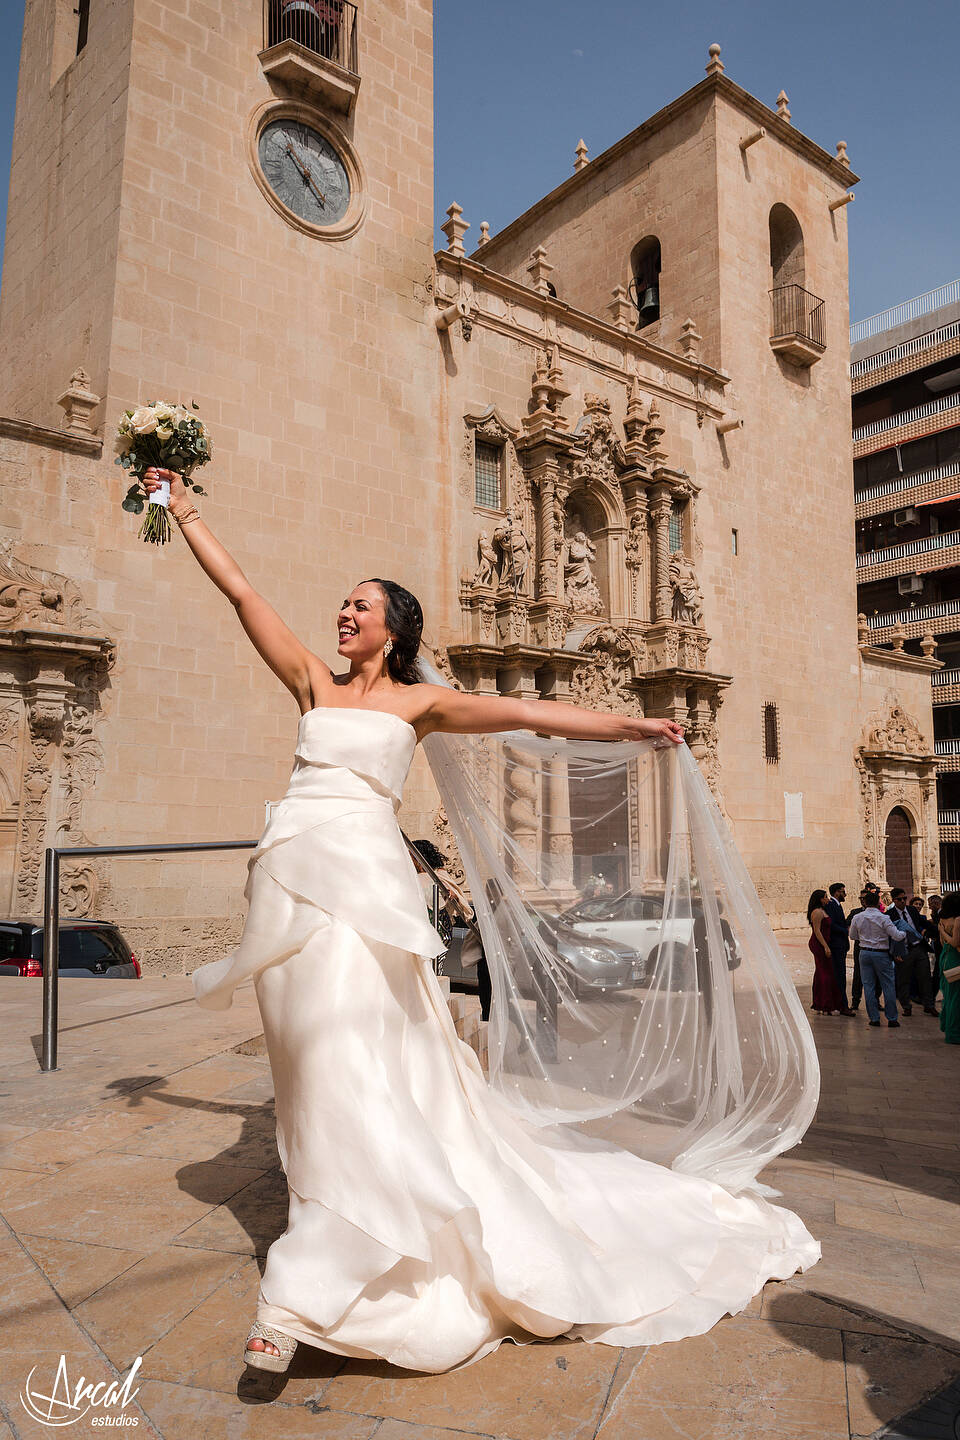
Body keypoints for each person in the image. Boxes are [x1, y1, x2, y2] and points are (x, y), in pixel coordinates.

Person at [142, 466, 820, 1375]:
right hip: (292, 889)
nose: (343, 615)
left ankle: (299, 1293)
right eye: (341, 604)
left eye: (360, 605)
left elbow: (529, 711)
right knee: (307, 1067)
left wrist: (633, 728)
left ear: (395, 626)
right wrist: (185, 511)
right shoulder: (312, 683)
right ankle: (338, 1217)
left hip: (367, 895)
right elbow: (240, 592)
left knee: (354, 1062)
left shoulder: (420, 704)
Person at [847, 893, 904, 1027]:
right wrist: (905, 932)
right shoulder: (884, 918)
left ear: (865, 903)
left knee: (868, 986)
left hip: (864, 952)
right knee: (888, 985)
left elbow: (853, 935)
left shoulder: (857, 917)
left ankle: (874, 1018)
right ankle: (892, 1018)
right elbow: (896, 936)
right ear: (879, 903)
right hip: (881, 954)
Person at [888, 888, 938, 1016]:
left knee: (925, 977)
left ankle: (929, 1005)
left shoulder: (911, 911)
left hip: (919, 948)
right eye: (900, 899)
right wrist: (893, 953)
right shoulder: (889, 915)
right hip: (903, 951)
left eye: (905, 898)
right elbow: (888, 937)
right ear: (894, 900)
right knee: (903, 980)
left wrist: (938, 931)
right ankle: (906, 1006)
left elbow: (924, 924)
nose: (903, 901)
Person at [806, 890, 848, 1015]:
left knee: (821, 973)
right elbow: (817, 931)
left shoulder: (822, 910)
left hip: (824, 943)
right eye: (825, 898)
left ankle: (821, 1003)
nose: (828, 900)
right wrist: (825, 946)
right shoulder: (817, 912)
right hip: (820, 944)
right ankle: (826, 1005)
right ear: (820, 899)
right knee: (825, 974)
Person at [824, 883, 853, 1013]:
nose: (845, 894)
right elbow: (832, 924)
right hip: (836, 945)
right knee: (839, 976)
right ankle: (842, 1006)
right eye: (842, 891)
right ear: (836, 893)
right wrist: (846, 931)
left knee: (839, 975)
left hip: (840, 945)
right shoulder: (831, 905)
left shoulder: (836, 905)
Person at [936, 894, 960, 1045]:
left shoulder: (942, 920)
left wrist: (942, 931)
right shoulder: (958, 920)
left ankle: (948, 1027)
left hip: (946, 957)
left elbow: (942, 942)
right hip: (955, 959)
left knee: (950, 995)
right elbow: (954, 942)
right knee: (956, 997)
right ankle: (954, 1033)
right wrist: (946, 933)